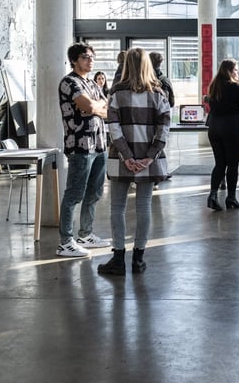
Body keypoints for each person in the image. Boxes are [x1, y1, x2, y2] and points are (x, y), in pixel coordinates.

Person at [98, 47, 171, 275]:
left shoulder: (116, 93)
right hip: (148, 159)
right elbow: (163, 130)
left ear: (126, 65)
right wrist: (149, 157)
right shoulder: (159, 94)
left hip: (121, 159)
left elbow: (113, 128)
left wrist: (127, 156)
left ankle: (118, 259)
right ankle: (138, 260)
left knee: (117, 207)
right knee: (144, 206)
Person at [58, 42, 112, 258]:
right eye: (85, 57)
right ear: (74, 60)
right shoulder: (69, 82)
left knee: (95, 192)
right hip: (80, 145)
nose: (90, 61)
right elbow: (88, 106)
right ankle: (65, 241)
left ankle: (85, 234)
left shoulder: (92, 83)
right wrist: (94, 107)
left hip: (99, 144)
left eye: (92, 57)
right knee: (74, 194)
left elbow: (109, 110)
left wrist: (94, 107)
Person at [205, 59, 239, 211]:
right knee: (232, 164)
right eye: (236, 70)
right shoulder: (235, 87)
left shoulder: (214, 86)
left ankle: (212, 195)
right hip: (231, 127)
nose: (238, 72)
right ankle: (231, 198)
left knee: (220, 163)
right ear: (230, 71)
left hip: (214, 127)